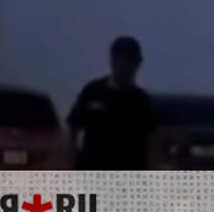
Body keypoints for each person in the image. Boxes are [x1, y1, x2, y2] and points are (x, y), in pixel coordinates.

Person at [67, 36, 156, 170]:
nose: (126, 66)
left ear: (137, 64)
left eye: (131, 61)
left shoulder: (142, 101)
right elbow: (73, 126)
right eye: (122, 60)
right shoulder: (93, 91)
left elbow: (152, 141)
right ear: (113, 61)